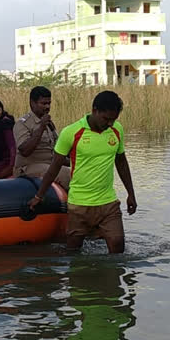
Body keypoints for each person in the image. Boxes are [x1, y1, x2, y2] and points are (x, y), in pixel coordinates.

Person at [29, 91, 137, 254]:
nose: (110, 123)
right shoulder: (71, 132)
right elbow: (54, 167)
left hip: (108, 203)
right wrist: (39, 196)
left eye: (113, 119)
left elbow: (121, 161)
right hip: (79, 204)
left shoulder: (116, 130)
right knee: (73, 251)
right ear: (95, 110)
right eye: (106, 119)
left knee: (117, 245)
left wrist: (131, 194)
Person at [13, 86, 70, 190]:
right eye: (43, 104)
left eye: (49, 103)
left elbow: (55, 150)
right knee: (65, 174)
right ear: (32, 103)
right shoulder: (22, 124)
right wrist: (41, 127)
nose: (47, 107)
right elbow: (25, 150)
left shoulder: (49, 123)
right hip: (28, 167)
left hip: (49, 164)